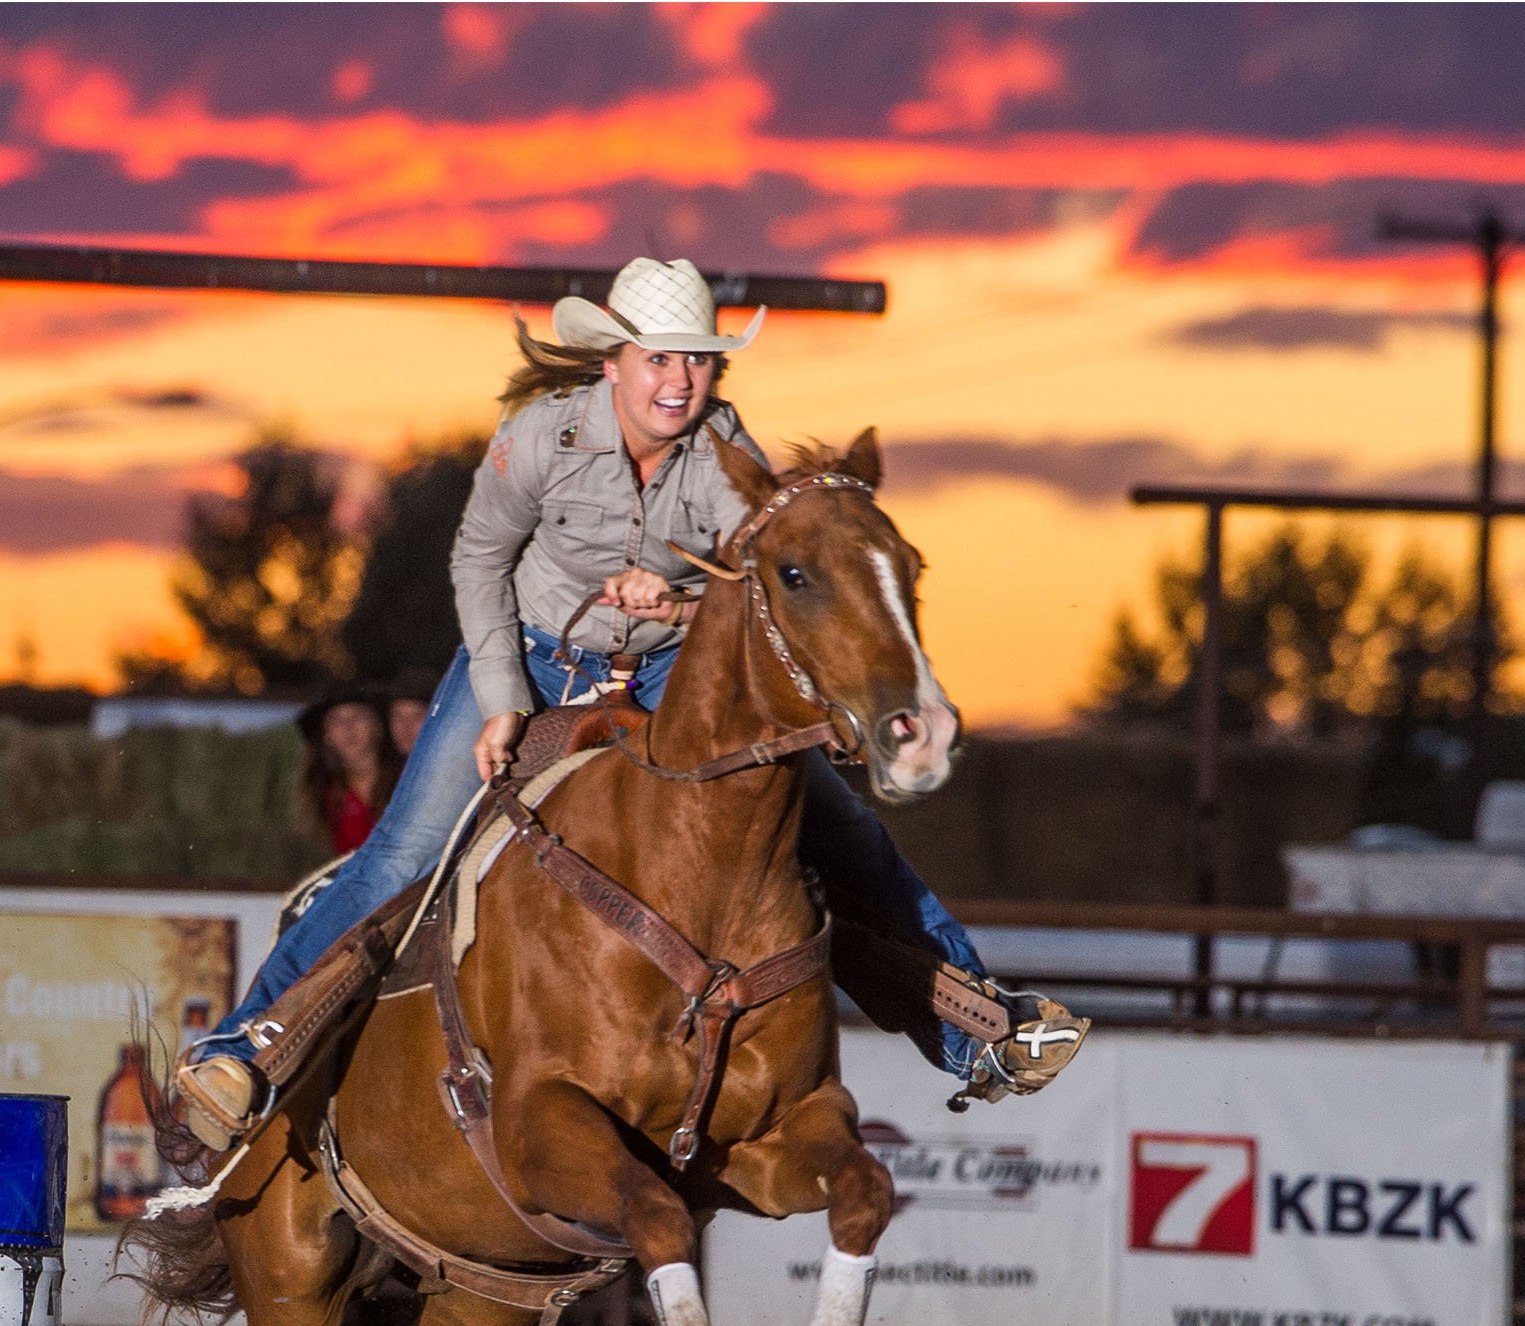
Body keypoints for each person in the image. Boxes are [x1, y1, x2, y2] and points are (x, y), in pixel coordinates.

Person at [170, 256, 1082, 1151]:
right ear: (614, 363)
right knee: (404, 854)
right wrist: (498, 700)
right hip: (525, 656)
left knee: (838, 830)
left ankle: (981, 1031)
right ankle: (244, 1052)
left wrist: (680, 601)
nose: (681, 380)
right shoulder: (539, 437)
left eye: (698, 359)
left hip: (660, 673)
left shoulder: (732, 459)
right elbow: (478, 562)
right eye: (660, 358)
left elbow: (766, 593)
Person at [294, 686, 399, 856]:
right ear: (326, 735)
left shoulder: (407, 782)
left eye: (358, 716)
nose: (348, 727)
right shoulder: (324, 796)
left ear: (378, 726)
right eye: (337, 720)